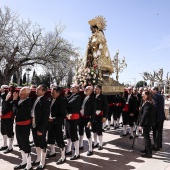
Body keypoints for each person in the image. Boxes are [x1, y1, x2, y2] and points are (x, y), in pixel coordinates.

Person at [10, 87, 32, 170]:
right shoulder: (19, 100)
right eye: (20, 93)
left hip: (24, 126)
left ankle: (29, 165)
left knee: (25, 143)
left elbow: (18, 112)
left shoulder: (28, 101)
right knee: (20, 143)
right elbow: (13, 109)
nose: (20, 95)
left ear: (27, 94)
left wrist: (15, 100)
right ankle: (24, 161)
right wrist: (14, 101)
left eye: (22, 93)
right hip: (18, 125)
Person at [31, 85, 50, 169]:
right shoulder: (36, 99)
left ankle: (43, 162)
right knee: (36, 143)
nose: (36, 90)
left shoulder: (45, 101)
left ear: (44, 91)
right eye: (37, 88)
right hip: (34, 125)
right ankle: (38, 159)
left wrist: (41, 129)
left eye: (39, 89)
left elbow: (45, 117)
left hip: (40, 127)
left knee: (42, 144)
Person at [47, 87, 66, 164]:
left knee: (59, 140)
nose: (51, 94)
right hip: (50, 123)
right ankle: (52, 152)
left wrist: (53, 119)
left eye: (53, 93)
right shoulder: (50, 99)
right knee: (50, 138)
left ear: (58, 93)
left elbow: (63, 115)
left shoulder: (61, 101)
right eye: (51, 92)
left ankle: (63, 157)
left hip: (57, 123)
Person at [65, 84, 81, 160]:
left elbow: (69, 104)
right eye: (71, 87)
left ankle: (77, 153)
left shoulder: (77, 97)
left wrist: (64, 100)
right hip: (68, 118)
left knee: (74, 135)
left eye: (73, 87)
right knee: (68, 134)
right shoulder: (71, 95)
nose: (71, 88)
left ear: (77, 89)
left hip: (73, 119)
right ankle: (68, 150)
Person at [79, 86, 96, 156]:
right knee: (80, 131)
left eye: (87, 89)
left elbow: (93, 111)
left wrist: (91, 121)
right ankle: (80, 145)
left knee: (88, 133)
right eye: (85, 89)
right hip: (81, 118)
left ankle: (90, 149)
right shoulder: (83, 97)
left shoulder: (92, 99)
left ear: (91, 91)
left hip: (87, 118)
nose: (85, 90)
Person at [92, 85, 108, 150]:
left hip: (100, 116)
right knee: (93, 130)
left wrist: (105, 116)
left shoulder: (103, 97)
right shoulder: (93, 96)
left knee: (99, 130)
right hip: (93, 116)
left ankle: (100, 144)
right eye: (95, 89)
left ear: (100, 90)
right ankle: (95, 142)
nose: (95, 90)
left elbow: (106, 107)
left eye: (97, 89)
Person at [139, 91, 155, 158]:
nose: (142, 96)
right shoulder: (146, 102)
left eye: (143, 95)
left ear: (147, 95)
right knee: (146, 137)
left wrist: (141, 124)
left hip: (146, 123)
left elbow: (145, 115)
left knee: (146, 137)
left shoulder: (148, 103)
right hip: (147, 122)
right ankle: (146, 149)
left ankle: (149, 152)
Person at [0, 85, 14, 154]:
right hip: (3, 116)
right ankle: (5, 145)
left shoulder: (9, 95)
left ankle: (10, 147)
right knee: (3, 131)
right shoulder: (3, 95)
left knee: (9, 132)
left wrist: (3, 94)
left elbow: (7, 105)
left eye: (2, 88)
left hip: (8, 116)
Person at [151, 86, 166, 151]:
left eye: (151, 90)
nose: (151, 91)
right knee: (159, 132)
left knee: (156, 132)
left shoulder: (155, 96)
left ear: (155, 90)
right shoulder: (161, 96)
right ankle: (159, 145)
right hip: (161, 117)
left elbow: (155, 107)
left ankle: (156, 146)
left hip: (157, 117)